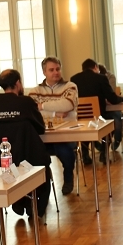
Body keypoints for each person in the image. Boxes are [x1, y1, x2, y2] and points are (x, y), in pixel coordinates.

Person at [0, 69, 51, 220]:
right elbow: (40, 127)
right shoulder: (26, 102)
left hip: (3, 161)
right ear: (18, 84)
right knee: (45, 168)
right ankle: (36, 209)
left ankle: (19, 201)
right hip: (29, 159)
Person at [27, 57, 78, 195]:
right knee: (34, 155)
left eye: (57, 69)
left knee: (65, 152)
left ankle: (68, 178)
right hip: (43, 137)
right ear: (44, 72)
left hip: (65, 135)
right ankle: (43, 188)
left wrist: (42, 106)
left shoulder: (70, 86)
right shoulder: (34, 91)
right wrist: (57, 112)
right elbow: (32, 111)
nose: (56, 72)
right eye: (51, 70)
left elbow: (68, 105)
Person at [70, 58, 123, 156]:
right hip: (98, 116)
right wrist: (121, 99)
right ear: (95, 67)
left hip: (80, 117)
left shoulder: (74, 79)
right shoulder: (101, 78)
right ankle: (104, 152)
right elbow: (112, 99)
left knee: (86, 125)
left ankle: (85, 155)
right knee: (110, 123)